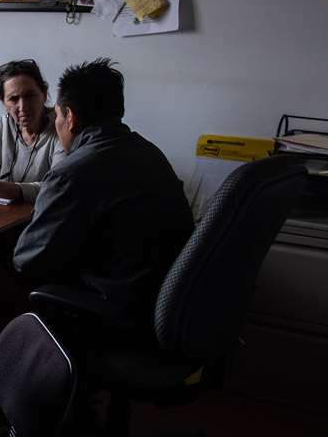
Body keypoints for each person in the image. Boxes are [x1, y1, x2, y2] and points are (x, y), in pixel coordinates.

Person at [12, 57, 194, 335]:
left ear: (71, 118)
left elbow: (27, 265)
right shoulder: (150, 152)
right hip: (168, 309)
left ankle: (15, 375)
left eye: (58, 115)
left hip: (117, 316)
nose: (57, 122)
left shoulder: (72, 173)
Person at [0, 58, 66, 203]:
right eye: (14, 99)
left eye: (30, 96)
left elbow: (58, 186)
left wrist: (17, 190)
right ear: (3, 102)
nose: (23, 107)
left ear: (45, 94)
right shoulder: (0, 127)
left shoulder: (61, 129)